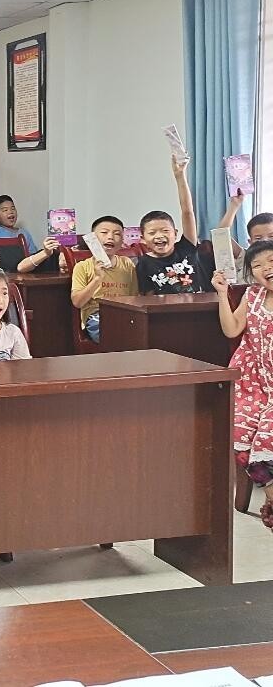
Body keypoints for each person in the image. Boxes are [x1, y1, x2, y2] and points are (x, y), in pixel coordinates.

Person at [215, 241, 273, 528]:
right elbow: (232, 329)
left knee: (266, 439)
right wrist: (222, 294)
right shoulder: (252, 295)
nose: (266, 269)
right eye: (257, 266)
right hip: (253, 384)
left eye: (271, 261)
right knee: (237, 434)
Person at [137, 156, 207, 295]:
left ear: (175, 233)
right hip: (165, 309)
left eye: (165, 231)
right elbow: (147, 297)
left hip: (198, 305)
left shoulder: (186, 248)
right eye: (152, 233)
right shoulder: (143, 263)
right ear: (143, 238)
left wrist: (180, 176)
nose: (159, 236)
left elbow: (187, 212)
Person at [70, 216, 138, 343]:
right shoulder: (82, 266)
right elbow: (77, 302)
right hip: (97, 316)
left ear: (122, 241)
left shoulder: (127, 264)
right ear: (93, 238)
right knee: (117, 337)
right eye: (104, 232)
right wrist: (97, 278)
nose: (110, 237)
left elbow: (135, 297)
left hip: (125, 314)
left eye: (117, 234)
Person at [0, 181, 39, 253]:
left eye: (13, 208)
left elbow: (33, 255)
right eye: (5, 210)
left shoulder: (24, 233)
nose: (10, 212)